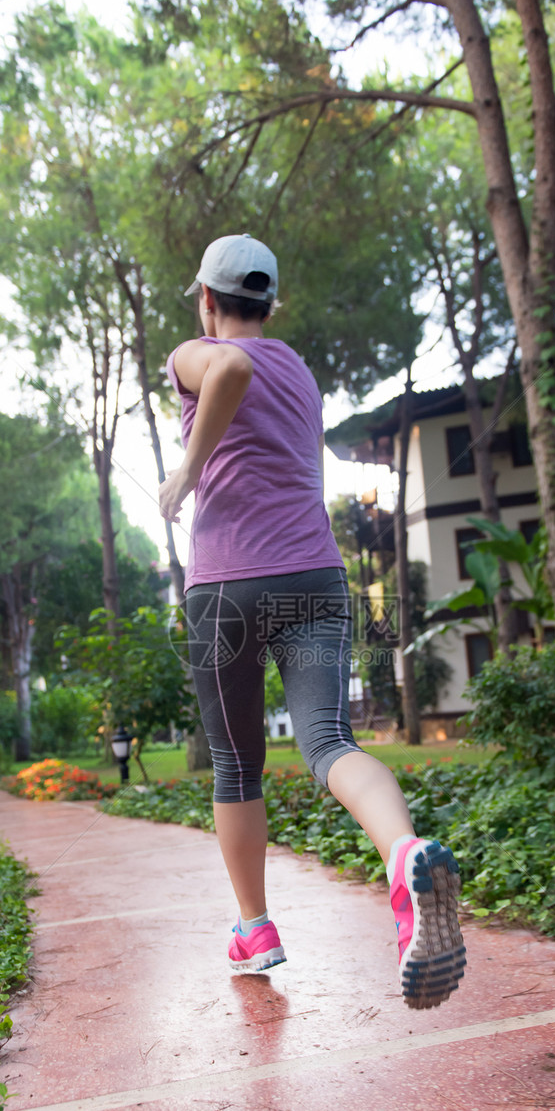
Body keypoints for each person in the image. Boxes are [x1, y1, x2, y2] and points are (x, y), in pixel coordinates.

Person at [159, 233, 465, 1009]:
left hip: (227, 585)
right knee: (330, 742)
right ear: (271, 302)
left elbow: (228, 365)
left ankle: (255, 926)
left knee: (237, 765)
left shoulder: (196, 351)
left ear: (206, 300)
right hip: (314, 577)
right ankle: (403, 853)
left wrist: (188, 472)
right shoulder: (301, 372)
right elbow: (254, 376)